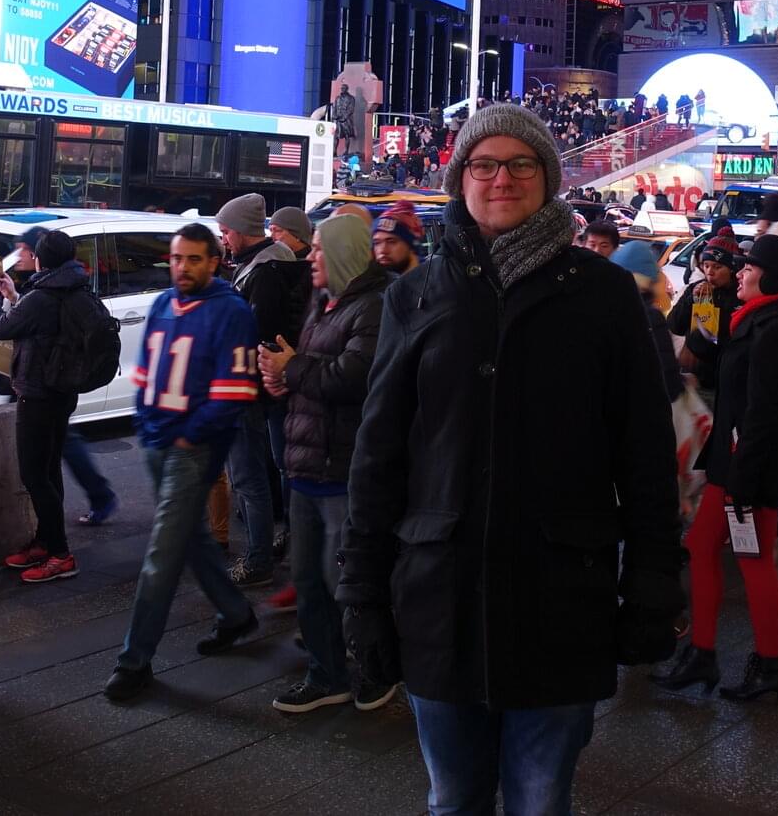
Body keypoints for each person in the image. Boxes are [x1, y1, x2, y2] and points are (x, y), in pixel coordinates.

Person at [340, 105, 681, 813]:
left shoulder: (604, 294)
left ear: (548, 178)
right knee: (454, 796)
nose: (503, 178)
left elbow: (644, 452)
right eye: (484, 163)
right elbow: (378, 455)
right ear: (461, 176)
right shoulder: (415, 293)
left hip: (560, 597)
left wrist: (652, 582)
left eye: (522, 163)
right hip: (439, 596)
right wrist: (362, 595)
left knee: (538, 798)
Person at [651, 232, 778, 702]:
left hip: (749, 470)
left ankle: (765, 664)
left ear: (772, 277)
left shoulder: (774, 329)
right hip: (737, 465)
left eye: (749, 267)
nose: (740, 271)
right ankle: (704, 653)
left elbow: (764, 415)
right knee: (704, 547)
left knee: (753, 560)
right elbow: (711, 361)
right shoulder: (759, 319)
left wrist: (740, 481)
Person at [106, 225, 263, 702]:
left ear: (214, 261)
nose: (183, 267)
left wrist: (189, 436)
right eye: (177, 258)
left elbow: (236, 389)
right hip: (157, 440)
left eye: (194, 259)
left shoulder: (232, 313)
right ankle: (235, 614)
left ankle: (134, 662)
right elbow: (148, 369)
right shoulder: (160, 305)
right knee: (189, 539)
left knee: (162, 556)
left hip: (191, 450)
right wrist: (146, 419)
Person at [258, 214, 393, 713]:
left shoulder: (375, 307)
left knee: (348, 584)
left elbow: (349, 378)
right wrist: (281, 376)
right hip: (304, 466)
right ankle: (327, 673)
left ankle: (377, 669)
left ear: (340, 253)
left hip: (343, 471)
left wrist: (291, 369)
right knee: (310, 581)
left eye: (317, 249)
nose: (310, 257)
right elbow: (312, 371)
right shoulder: (324, 302)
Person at [0, 229, 118, 584]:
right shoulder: (72, 288)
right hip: (62, 392)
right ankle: (46, 541)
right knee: (49, 468)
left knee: (33, 473)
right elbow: (36, 325)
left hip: (38, 394)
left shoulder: (42, 296)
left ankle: (60, 554)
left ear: (41, 259)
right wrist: (16, 295)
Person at [214, 193, 310, 589]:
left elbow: (258, 334)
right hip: (265, 387)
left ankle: (259, 558)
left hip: (252, 388)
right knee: (276, 467)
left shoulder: (264, 273)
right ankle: (285, 541)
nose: (223, 239)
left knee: (250, 478)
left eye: (224, 231)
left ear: (238, 232)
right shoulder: (263, 266)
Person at [668, 234, 742, 404]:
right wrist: (691, 301)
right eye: (706, 265)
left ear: (730, 269)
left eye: (717, 267)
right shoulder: (696, 289)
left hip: (724, 376)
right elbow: (674, 325)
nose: (709, 272)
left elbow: (729, 335)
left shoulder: (739, 295)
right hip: (694, 374)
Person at [610, 239, 683, 402]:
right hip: (644, 410)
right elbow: (667, 377)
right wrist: (682, 382)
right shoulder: (650, 316)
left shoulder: (607, 312)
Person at [371, 201, 423, 276]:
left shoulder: (435, 281)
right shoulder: (371, 284)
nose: (382, 250)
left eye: (391, 242)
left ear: (411, 245)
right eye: (377, 243)